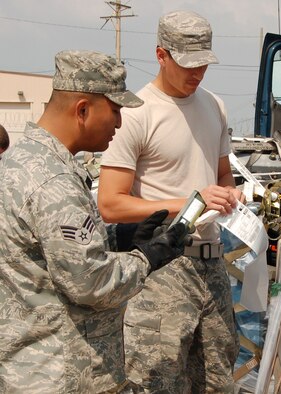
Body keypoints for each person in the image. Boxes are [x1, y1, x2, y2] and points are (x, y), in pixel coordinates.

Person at [0, 50, 188, 393]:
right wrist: (148, 258)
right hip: (65, 374)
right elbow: (91, 285)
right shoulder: (53, 182)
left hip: (29, 368)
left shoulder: (22, 161)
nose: (119, 123)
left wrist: (117, 237)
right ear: (83, 110)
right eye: (115, 111)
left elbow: (45, 254)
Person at [98, 10, 241, 393]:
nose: (197, 75)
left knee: (218, 379)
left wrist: (230, 193)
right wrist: (190, 201)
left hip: (212, 264)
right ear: (161, 55)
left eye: (204, 65)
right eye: (187, 65)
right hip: (162, 267)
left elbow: (222, 173)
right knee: (156, 380)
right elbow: (110, 204)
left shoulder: (214, 106)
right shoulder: (136, 114)